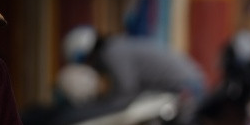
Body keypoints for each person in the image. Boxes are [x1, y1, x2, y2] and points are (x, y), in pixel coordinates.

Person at [62, 25, 208, 105]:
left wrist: (104, 109)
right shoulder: (116, 47)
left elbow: (126, 89)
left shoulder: (112, 53)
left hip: (184, 87)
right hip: (188, 80)